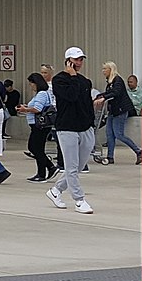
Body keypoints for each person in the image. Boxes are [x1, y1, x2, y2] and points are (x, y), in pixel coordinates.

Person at [46, 47, 99, 214]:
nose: (79, 63)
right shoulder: (59, 80)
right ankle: (79, 199)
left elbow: (85, 103)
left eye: (81, 59)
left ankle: (55, 190)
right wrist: (73, 76)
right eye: (76, 60)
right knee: (71, 166)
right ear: (68, 61)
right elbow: (71, 96)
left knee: (79, 166)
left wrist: (91, 123)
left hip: (85, 127)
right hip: (67, 128)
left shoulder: (85, 81)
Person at [96, 61, 140, 164]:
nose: (103, 71)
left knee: (118, 134)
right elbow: (108, 93)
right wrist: (100, 96)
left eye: (105, 69)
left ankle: (138, 151)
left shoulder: (117, 80)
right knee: (109, 134)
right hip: (112, 111)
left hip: (120, 110)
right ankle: (110, 157)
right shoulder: (110, 82)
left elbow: (116, 93)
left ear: (110, 70)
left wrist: (104, 98)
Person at [19, 72, 57, 181]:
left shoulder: (41, 94)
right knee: (37, 148)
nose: (30, 86)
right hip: (39, 125)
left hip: (39, 125)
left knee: (35, 148)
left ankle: (46, 169)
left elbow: (37, 109)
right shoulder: (43, 94)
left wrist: (25, 109)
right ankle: (45, 170)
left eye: (31, 83)